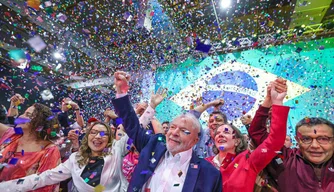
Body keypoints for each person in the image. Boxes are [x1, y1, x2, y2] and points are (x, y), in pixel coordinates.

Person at [112, 71, 222, 192]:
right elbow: (131, 124)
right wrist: (122, 92)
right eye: (173, 127)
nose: (174, 133)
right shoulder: (153, 146)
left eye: (184, 131)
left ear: (195, 140)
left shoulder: (209, 173)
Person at [249, 81, 334, 191]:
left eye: (323, 139)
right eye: (306, 139)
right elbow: (257, 132)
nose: (315, 145)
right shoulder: (285, 159)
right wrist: (270, 100)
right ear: (297, 140)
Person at [205, 81, 290, 192]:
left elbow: (274, 142)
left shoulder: (248, 160)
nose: (220, 134)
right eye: (217, 133)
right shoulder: (204, 164)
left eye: (226, 132)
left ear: (237, 141)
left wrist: (276, 101)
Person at [0, 122, 130, 192]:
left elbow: (134, 131)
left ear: (109, 139)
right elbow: (44, 178)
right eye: (93, 132)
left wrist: (147, 109)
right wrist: (5, 187)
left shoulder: (116, 151)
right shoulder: (75, 159)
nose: (97, 136)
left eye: (103, 134)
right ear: (87, 136)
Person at [0, 103, 61, 192]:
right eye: (24, 113)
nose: (21, 116)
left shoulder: (49, 150)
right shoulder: (13, 135)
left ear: (39, 123)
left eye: (28, 115)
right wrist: (14, 104)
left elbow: (45, 186)